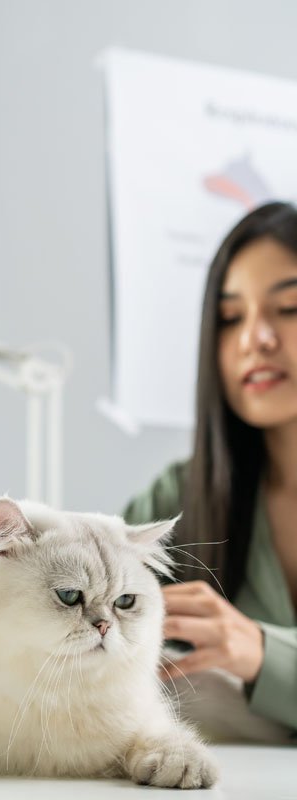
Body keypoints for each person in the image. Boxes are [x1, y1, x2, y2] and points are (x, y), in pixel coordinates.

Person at [123, 201, 297, 734]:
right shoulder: (177, 498)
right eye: (229, 318)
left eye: (289, 308)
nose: (255, 339)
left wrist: (264, 654)